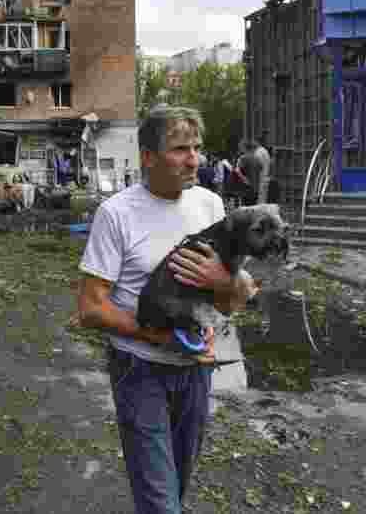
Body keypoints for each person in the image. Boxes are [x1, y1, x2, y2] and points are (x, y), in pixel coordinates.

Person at [76, 105, 258, 514]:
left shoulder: (211, 206)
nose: (194, 158)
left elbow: (231, 300)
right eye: (179, 148)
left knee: (176, 486)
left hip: (196, 371)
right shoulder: (116, 214)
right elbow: (90, 309)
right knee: (161, 503)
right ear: (148, 157)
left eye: (197, 147)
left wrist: (225, 283)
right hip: (140, 371)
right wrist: (156, 336)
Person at [237, 138, 271, 205]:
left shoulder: (244, 158)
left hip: (246, 188)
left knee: (246, 206)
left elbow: (237, 171)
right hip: (256, 187)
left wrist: (244, 179)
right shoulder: (257, 158)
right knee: (254, 205)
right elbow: (262, 167)